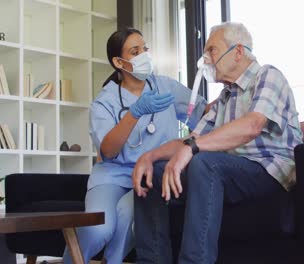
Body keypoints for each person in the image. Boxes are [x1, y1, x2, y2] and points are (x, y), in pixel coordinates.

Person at [133, 22, 303, 264]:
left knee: (205, 163)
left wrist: (192, 149)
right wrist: (148, 157)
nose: (206, 60)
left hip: (269, 170)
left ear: (238, 51)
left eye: (211, 50)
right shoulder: (225, 97)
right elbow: (191, 139)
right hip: (231, 170)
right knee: (154, 173)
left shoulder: (267, 76)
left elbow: (253, 125)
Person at [62, 28, 207, 264]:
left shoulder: (165, 87)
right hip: (112, 176)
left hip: (150, 176)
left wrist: (228, 102)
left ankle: (113, 261)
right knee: (99, 228)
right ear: (118, 62)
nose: (144, 55)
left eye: (145, 49)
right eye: (135, 51)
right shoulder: (104, 101)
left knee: (128, 216)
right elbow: (108, 151)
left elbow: (202, 113)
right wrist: (135, 112)